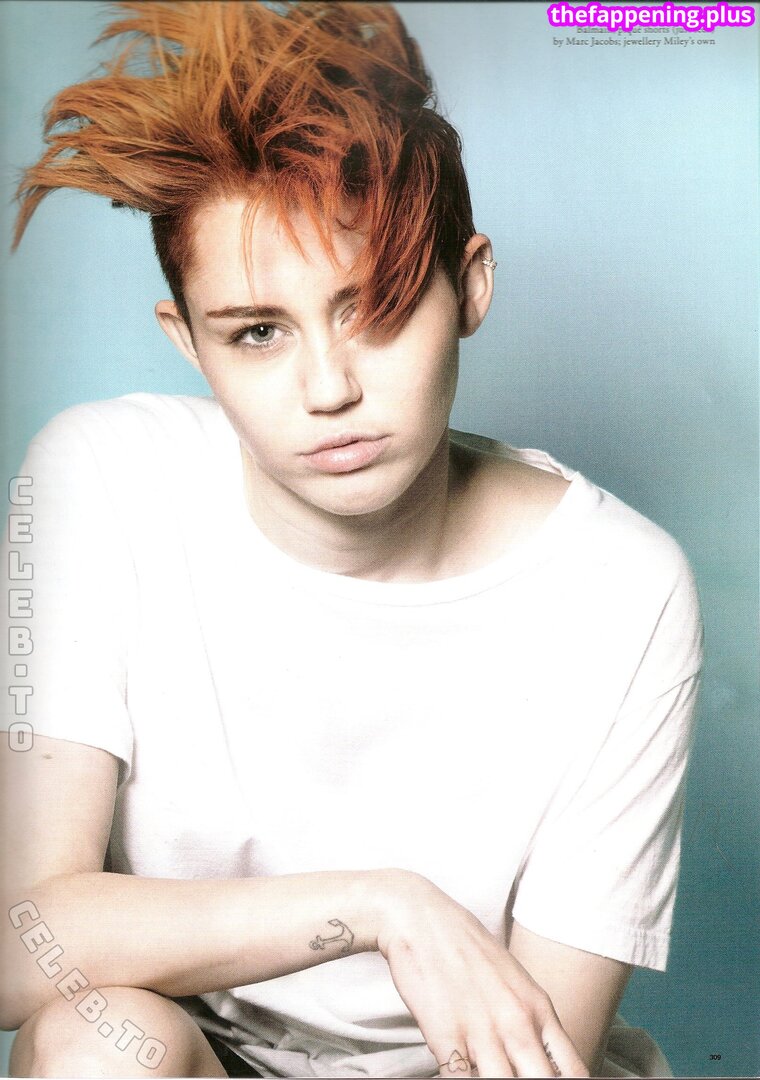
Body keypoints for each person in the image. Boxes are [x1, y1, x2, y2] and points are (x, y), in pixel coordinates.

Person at [0, 3, 703, 1077]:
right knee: (96, 1043)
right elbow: (22, 948)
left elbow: (532, 1058)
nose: (328, 389)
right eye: (257, 332)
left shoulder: (620, 586)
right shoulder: (106, 476)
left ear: (469, 286)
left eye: (373, 309)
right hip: (188, 1055)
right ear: (186, 341)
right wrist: (379, 907)